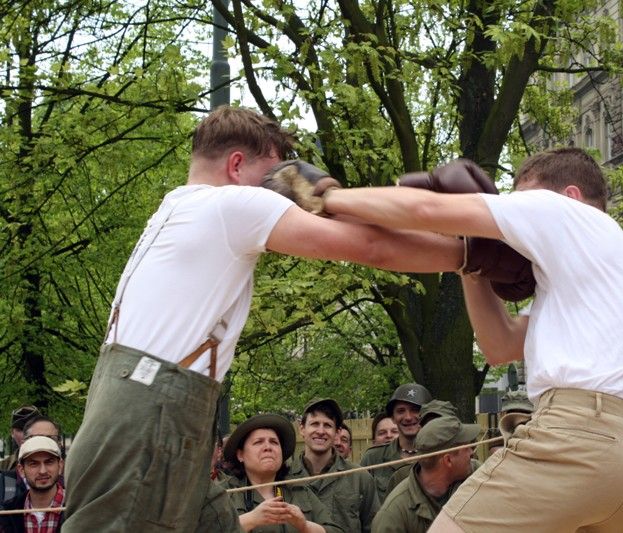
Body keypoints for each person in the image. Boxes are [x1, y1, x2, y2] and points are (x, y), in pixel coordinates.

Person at [61, 106, 462, 531]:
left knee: (218, 522)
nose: (279, 191)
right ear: (237, 165)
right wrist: (470, 253)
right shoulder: (232, 204)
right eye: (271, 176)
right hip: (152, 415)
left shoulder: (173, 209)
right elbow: (370, 247)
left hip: (134, 406)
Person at [311, 147, 623, 531]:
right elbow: (500, 346)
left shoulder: (566, 213)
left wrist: (325, 196)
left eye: (521, 204)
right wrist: (472, 264)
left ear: (569, 196)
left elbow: (424, 211)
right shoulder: (615, 271)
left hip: (581, 440)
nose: (510, 228)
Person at [218, 413, 342, 533]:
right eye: (258, 442)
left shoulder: (300, 491)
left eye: (274, 442)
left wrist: (304, 526)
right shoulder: (223, 494)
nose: (268, 447)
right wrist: (250, 520)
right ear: (240, 455)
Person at [371, 416, 479, 533]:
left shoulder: (476, 475)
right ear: (448, 460)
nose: (471, 452)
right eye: (466, 448)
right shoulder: (393, 516)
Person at [288, 399, 378, 533]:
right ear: (302, 429)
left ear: (337, 432)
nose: (320, 431)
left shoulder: (360, 478)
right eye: (314, 424)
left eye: (328, 425)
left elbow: (374, 528)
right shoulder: (284, 476)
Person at [360, 383, 432, 502]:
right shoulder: (373, 458)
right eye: (401, 411)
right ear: (393, 417)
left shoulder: (442, 455)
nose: (408, 417)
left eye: (415, 410)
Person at [0, 436, 66, 533]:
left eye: (49, 462)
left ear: (60, 466)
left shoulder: (77, 507)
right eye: (34, 464)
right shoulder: (7, 512)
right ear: (21, 470)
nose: (42, 471)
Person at [0, 406, 40, 472]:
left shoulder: (58, 463)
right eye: (20, 430)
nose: (26, 435)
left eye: (31, 428)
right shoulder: (3, 467)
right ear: (12, 433)